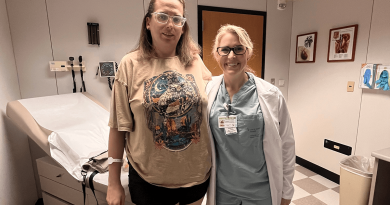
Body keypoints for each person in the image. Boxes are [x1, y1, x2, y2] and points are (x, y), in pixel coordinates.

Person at [106, 0, 212, 205]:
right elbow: (118, 127)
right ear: (148, 22)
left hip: (196, 176)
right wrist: (113, 182)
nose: (170, 25)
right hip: (149, 181)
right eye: (162, 16)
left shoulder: (195, 61)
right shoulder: (130, 64)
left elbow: (211, 106)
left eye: (177, 19)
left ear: (183, 26)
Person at [205, 24, 295, 205]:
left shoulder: (271, 94)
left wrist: (286, 192)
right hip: (222, 190)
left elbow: (286, 145)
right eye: (225, 50)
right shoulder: (207, 89)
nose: (231, 56)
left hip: (261, 190)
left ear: (248, 52)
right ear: (216, 54)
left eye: (238, 49)